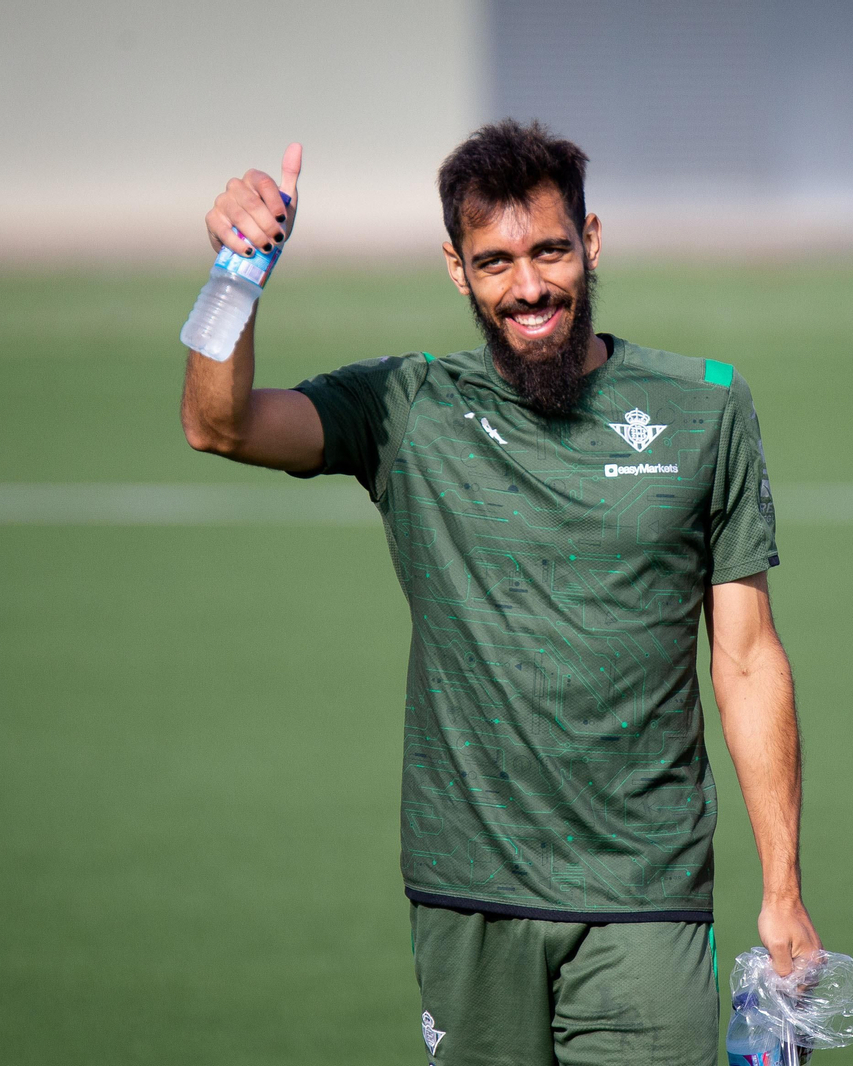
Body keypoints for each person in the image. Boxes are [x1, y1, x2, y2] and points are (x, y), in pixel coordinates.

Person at [180, 119, 819, 1066]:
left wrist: (782, 886)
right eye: (496, 262)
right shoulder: (404, 407)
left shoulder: (704, 408)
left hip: (645, 893)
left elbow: (748, 656)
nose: (529, 287)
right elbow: (218, 424)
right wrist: (237, 273)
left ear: (591, 241)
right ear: (456, 267)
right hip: (466, 892)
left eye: (551, 250)